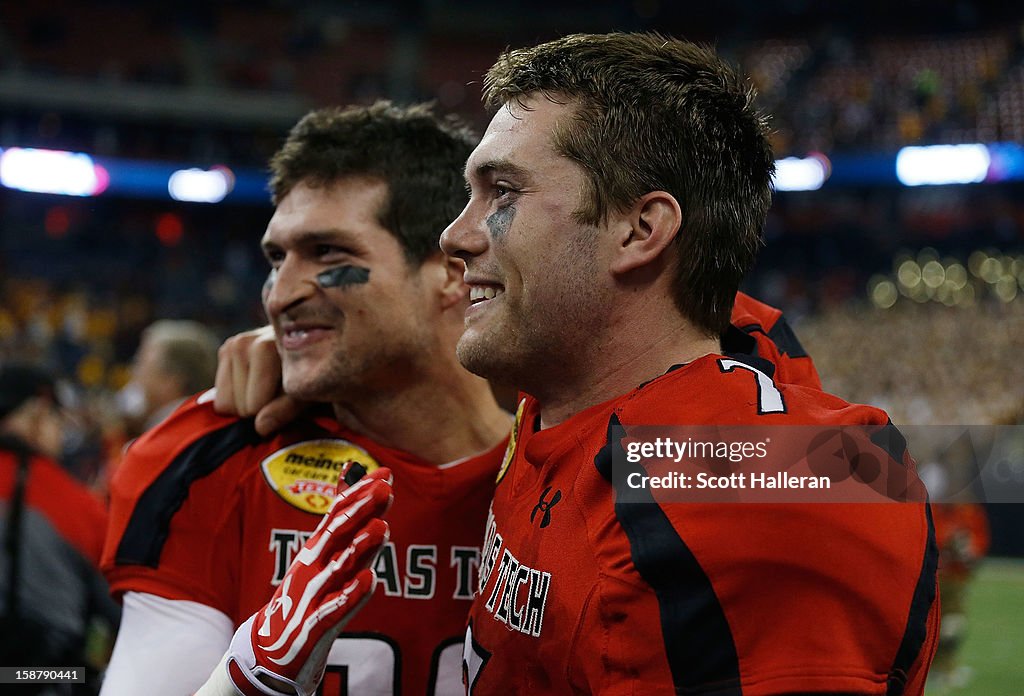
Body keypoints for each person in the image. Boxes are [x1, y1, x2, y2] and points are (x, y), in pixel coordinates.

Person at [435, 32, 938, 694]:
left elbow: (840, 473)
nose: (455, 235)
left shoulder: (726, 489)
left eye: (502, 192)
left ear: (640, 231)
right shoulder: (574, 379)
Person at [100, 102, 511, 696]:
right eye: (277, 258)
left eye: (329, 254)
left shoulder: (567, 455)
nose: (280, 295)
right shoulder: (206, 459)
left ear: (451, 271)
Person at [0, 363, 119, 694]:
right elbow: (123, 618)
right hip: (47, 679)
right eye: (57, 420)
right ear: (38, 414)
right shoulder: (78, 506)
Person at [119, 319, 220, 436]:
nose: (133, 374)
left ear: (171, 382)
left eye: (141, 365)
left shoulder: (163, 438)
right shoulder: (210, 426)